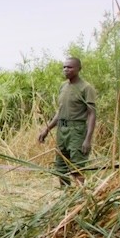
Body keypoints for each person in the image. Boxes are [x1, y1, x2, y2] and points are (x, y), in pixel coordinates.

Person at [38, 56, 97, 186]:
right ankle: (66, 196)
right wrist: (46, 129)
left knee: (77, 168)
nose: (66, 70)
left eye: (70, 67)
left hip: (77, 132)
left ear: (78, 69)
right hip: (62, 131)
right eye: (64, 67)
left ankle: (80, 198)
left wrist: (88, 139)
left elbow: (92, 113)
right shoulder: (63, 87)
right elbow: (60, 112)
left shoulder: (86, 88)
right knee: (60, 168)